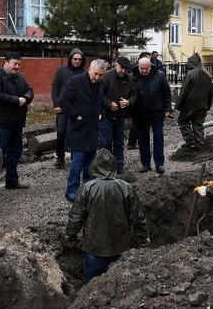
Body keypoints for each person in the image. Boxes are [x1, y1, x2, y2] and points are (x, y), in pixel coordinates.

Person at [65, 148, 149, 283]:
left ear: (94, 167)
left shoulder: (87, 188)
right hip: (120, 248)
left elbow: (76, 216)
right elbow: (137, 216)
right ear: (113, 167)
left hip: (94, 248)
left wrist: (70, 235)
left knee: (89, 288)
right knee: (120, 285)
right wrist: (144, 236)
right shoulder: (125, 187)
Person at [59, 59, 107, 202]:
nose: (97, 77)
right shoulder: (76, 81)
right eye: (96, 74)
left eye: (101, 75)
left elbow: (100, 101)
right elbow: (63, 101)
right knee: (77, 162)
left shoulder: (100, 83)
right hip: (78, 129)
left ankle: (88, 188)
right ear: (89, 69)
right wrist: (75, 115)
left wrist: (100, 112)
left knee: (90, 163)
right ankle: (71, 190)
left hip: (92, 128)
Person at [0, 52, 33, 189]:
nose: (17, 67)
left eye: (19, 64)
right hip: (2, 122)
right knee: (0, 154)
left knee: (15, 152)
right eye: (15, 64)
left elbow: (30, 90)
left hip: (17, 122)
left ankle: (12, 181)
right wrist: (16, 100)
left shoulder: (20, 77)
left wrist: (26, 97)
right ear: (6, 62)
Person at [132, 57, 172, 174]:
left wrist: (168, 107)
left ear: (150, 66)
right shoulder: (133, 77)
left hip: (157, 112)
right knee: (143, 140)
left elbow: (167, 93)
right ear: (138, 67)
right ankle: (145, 164)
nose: (144, 71)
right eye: (141, 68)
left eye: (146, 68)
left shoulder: (159, 76)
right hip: (140, 113)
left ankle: (159, 164)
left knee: (158, 139)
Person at [99, 56, 137, 173]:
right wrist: (109, 104)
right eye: (122, 68)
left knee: (119, 143)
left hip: (120, 116)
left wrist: (129, 102)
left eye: (126, 69)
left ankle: (119, 167)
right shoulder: (106, 76)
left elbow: (134, 94)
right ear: (116, 65)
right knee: (106, 142)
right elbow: (99, 94)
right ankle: (106, 168)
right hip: (106, 116)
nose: (124, 71)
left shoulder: (129, 79)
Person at [52, 49, 86, 169]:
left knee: (76, 133)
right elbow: (55, 86)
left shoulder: (84, 72)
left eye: (79, 59)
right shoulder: (61, 70)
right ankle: (60, 158)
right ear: (70, 59)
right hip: (62, 108)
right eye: (75, 59)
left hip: (77, 109)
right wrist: (56, 104)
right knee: (61, 133)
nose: (77, 61)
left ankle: (75, 158)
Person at [176, 53, 213, 150]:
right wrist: (208, 106)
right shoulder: (208, 75)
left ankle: (190, 142)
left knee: (182, 121)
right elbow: (211, 93)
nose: (187, 64)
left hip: (189, 105)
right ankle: (199, 144)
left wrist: (178, 105)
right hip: (202, 106)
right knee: (198, 124)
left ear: (192, 63)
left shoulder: (190, 74)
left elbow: (183, 91)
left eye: (189, 62)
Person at [127, 52, 152, 150]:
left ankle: (134, 142)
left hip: (141, 102)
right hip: (136, 101)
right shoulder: (134, 71)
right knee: (136, 124)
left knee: (137, 124)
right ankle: (132, 143)